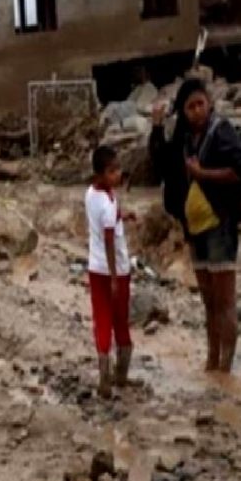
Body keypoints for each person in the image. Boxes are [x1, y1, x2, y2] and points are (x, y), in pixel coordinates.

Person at [150, 78, 241, 373]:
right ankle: (212, 361)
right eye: (190, 107)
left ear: (210, 103)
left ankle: (226, 367)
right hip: (195, 228)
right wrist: (155, 126)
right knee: (208, 301)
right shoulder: (184, 140)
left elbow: (237, 172)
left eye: (200, 104)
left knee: (225, 301)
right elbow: (161, 164)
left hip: (220, 225)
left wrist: (202, 174)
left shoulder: (222, 133)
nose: (196, 111)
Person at [85, 145, 135, 398]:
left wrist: (123, 215)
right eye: (112, 171)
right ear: (100, 174)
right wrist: (115, 276)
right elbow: (108, 239)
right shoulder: (106, 203)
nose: (118, 174)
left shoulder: (92, 194)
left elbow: (107, 220)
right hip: (115, 270)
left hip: (95, 269)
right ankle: (121, 375)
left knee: (101, 320)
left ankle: (105, 374)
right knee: (120, 321)